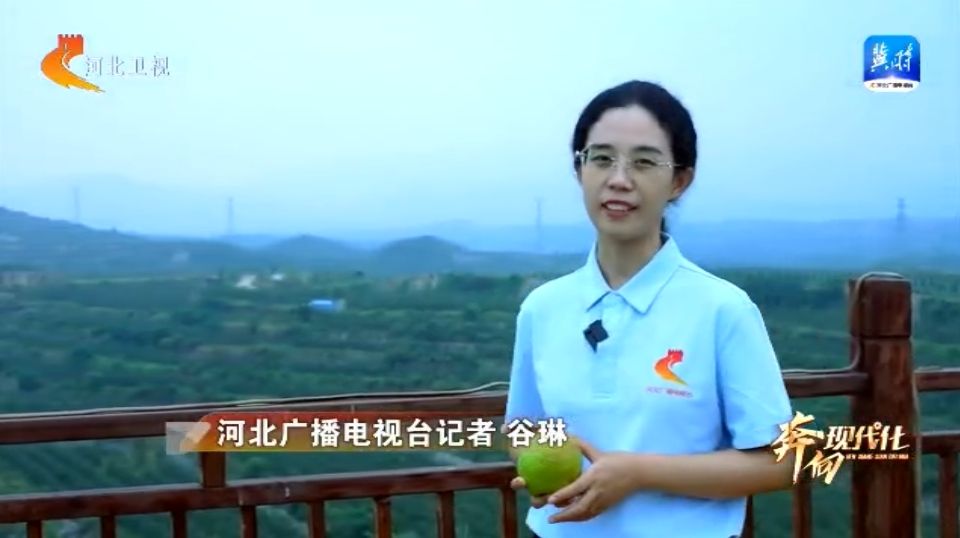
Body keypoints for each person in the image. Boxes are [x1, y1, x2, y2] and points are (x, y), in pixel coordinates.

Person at [503, 80, 796, 538]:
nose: (619, 179)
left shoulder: (722, 309)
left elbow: (783, 461)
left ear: (680, 180)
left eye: (643, 162)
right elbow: (522, 427)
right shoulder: (542, 308)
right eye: (601, 158)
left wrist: (638, 473)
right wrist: (538, 460)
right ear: (579, 170)